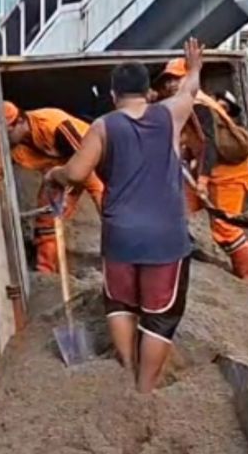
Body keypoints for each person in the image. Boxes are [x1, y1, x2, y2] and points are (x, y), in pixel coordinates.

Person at [46, 38, 204, 393]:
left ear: (114, 94)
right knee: (160, 317)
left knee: (120, 303)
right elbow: (190, 90)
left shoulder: (104, 126)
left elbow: (74, 173)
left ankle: (125, 368)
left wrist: (53, 175)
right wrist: (194, 68)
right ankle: (143, 389)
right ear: (148, 92)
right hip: (165, 237)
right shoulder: (170, 114)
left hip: (120, 236)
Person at [153, 60, 248, 279]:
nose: (171, 85)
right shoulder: (185, 104)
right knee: (174, 208)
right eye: (168, 81)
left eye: (176, 78)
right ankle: (178, 256)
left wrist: (202, 181)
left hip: (230, 173)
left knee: (225, 228)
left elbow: (208, 144)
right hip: (209, 168)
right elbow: (192, 142)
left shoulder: (199, 104)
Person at [5, 103, 104, 273]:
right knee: (46, 217)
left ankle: (124, 253)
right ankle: (46, 273)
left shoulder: (53, 125)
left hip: (88, 159)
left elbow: (83, 158)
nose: (5, 138)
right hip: (60, 169)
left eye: (7, 132)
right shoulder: (18, 145)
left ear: (20, 121)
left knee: (103, 200)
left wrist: (71, 191)